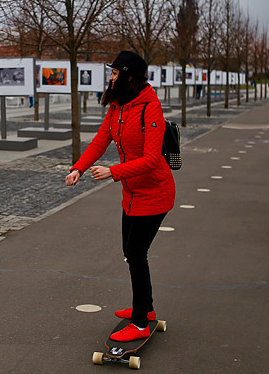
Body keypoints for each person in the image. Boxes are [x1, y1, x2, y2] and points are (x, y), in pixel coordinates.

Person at [65, 50, 175, 343]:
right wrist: (79, 167)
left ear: (128, 76)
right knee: (131, 252)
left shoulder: (149, 108)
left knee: (136, 254)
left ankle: (139, 322)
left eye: (114, 73)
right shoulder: (118, 106)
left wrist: (113, 172)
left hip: (155, 192)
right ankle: (146, 308)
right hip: (132, 192)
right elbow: (101, 140)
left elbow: (152, 159)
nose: (110, 78)